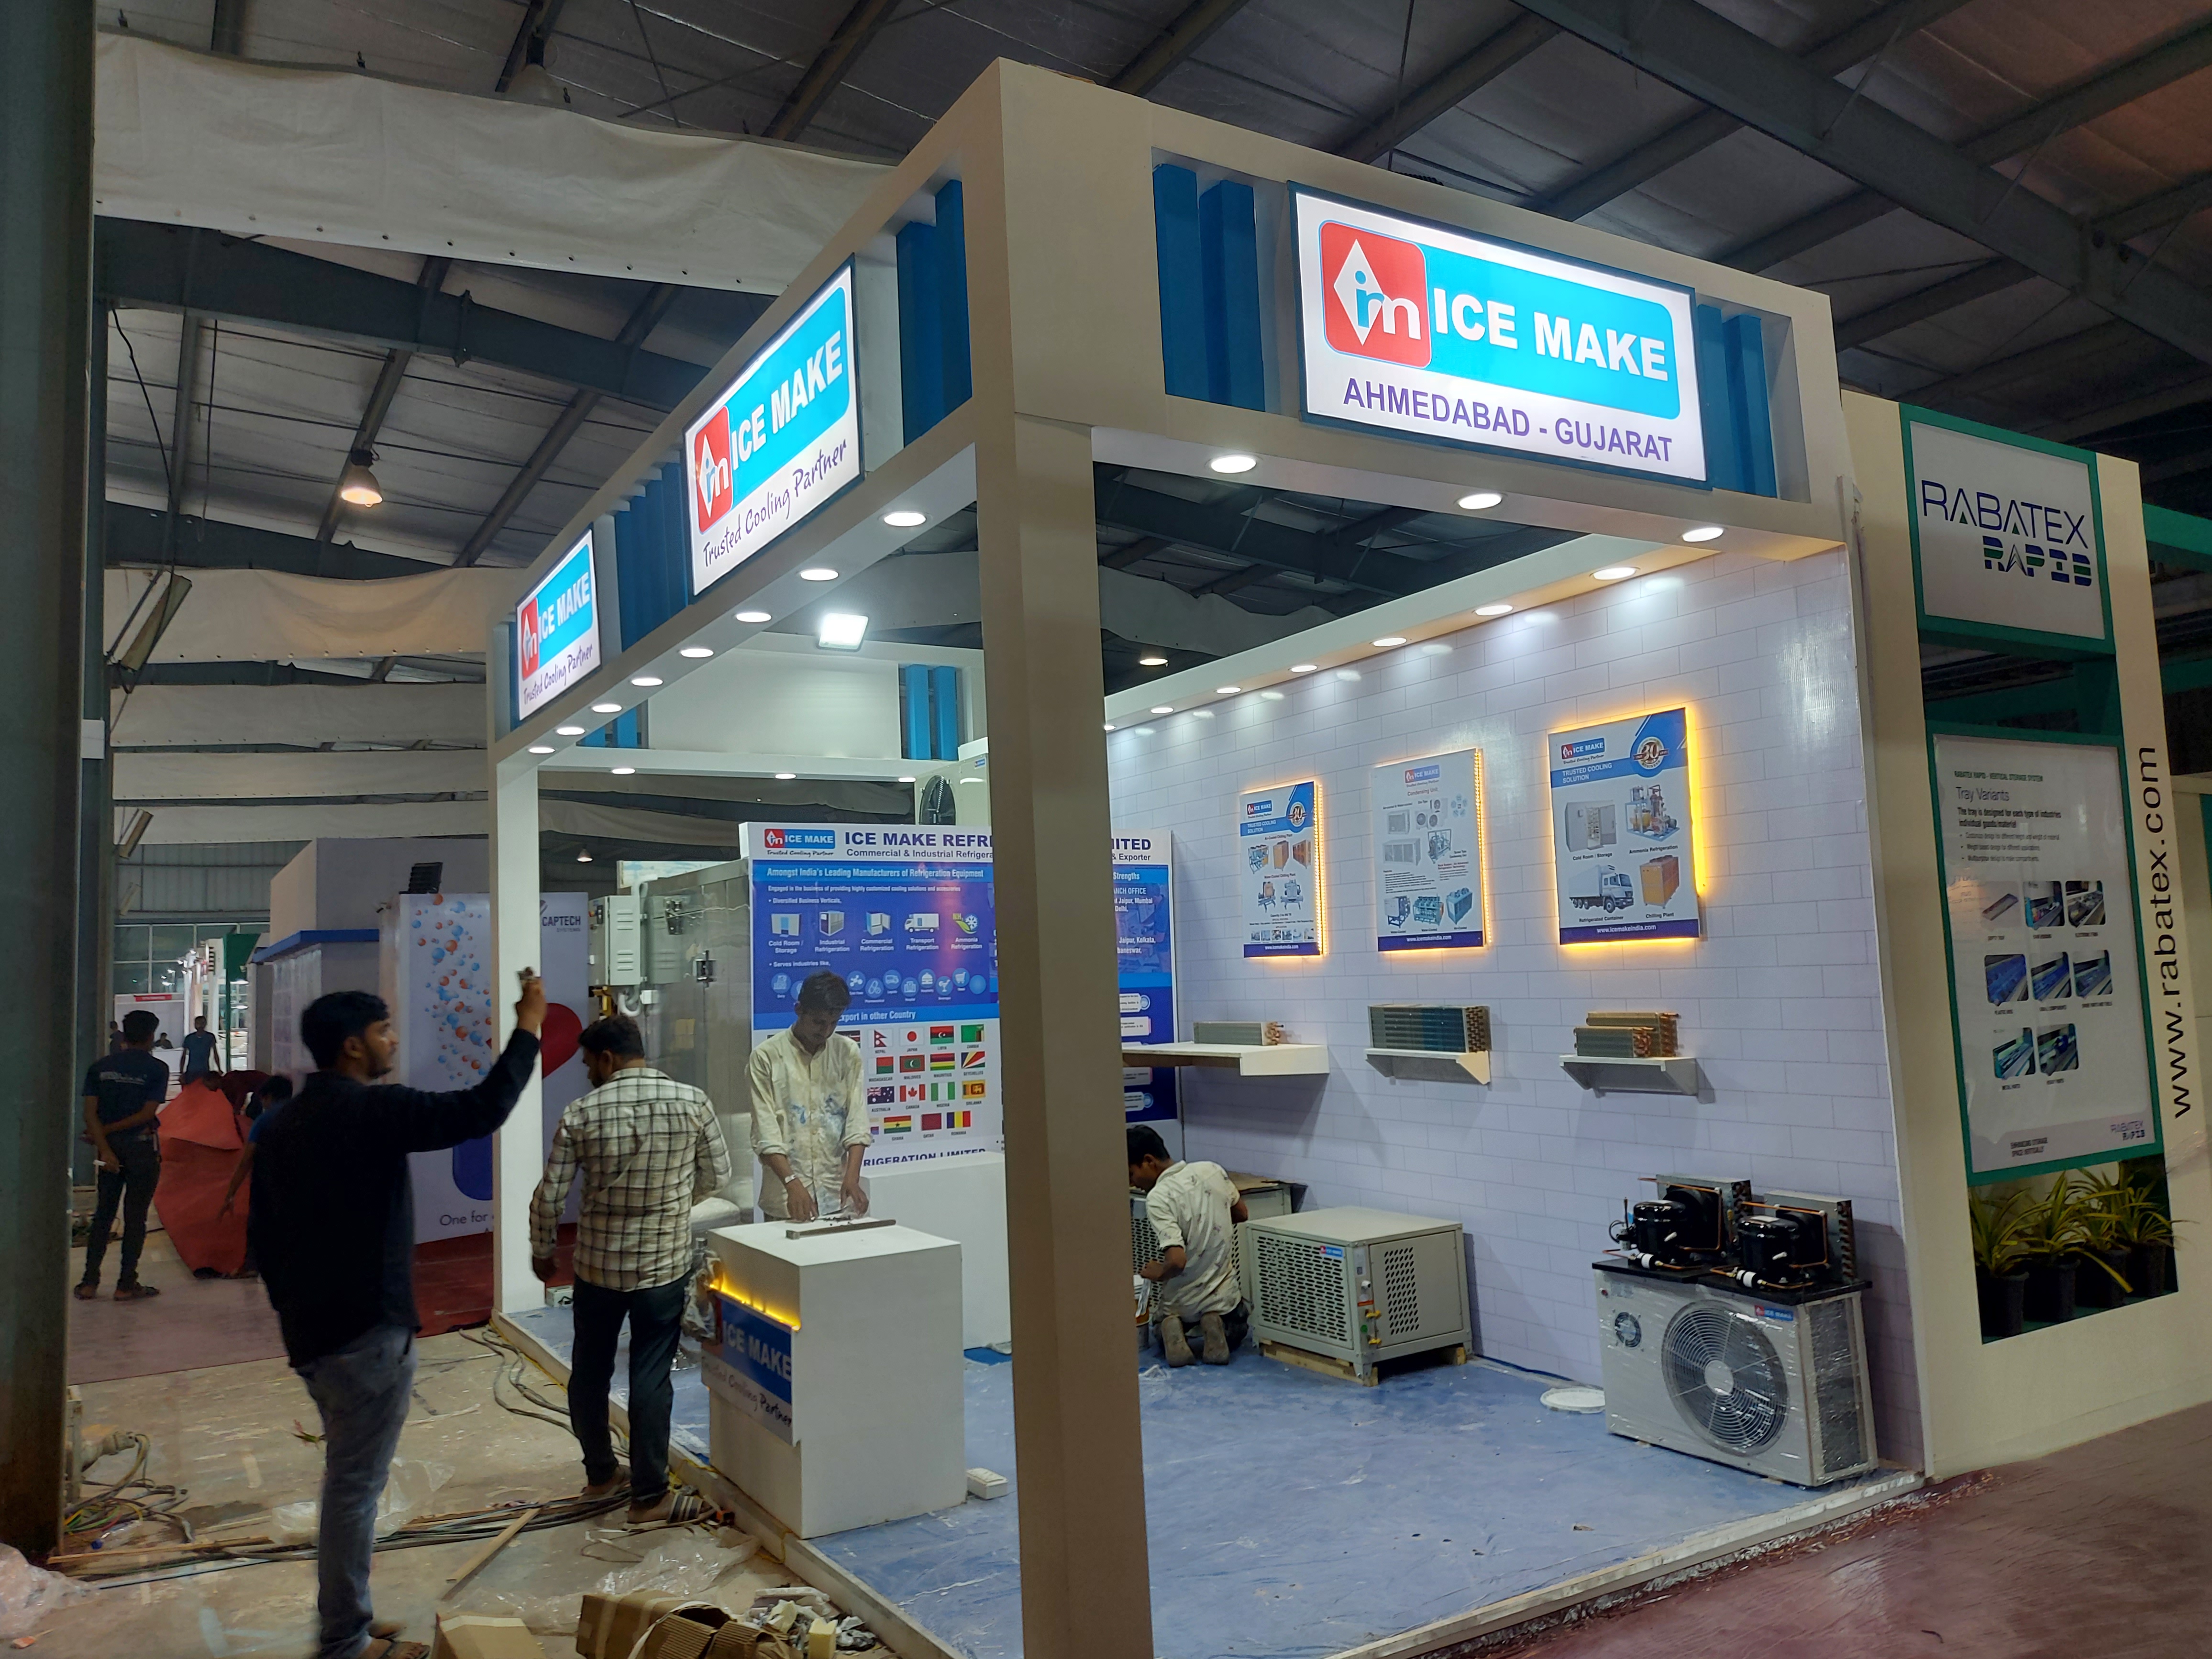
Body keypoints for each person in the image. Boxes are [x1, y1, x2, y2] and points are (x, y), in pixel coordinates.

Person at [250, 974, 545, 1659]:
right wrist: (529, 1026)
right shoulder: (373, 1112)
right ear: (353, 1046)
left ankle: (349, 1617)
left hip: (313, 1336)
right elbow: (481, 1109)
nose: (393, 1042)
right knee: (354, 1490)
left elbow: (261, 1237)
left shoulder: (285, 1123)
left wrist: (293, 1310)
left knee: (349, 1480)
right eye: (384, 1032)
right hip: (367, 1336)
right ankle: (344, 1640)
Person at [530, 1014, 730, 1525]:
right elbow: (718, 1175)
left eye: (588, 1065)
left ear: (607, 1059)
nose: (587, 1074)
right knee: (650, 1374)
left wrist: (542, 1249)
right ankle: (649, 1495)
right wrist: (674, 1204)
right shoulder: (693, 1102)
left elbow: (549, 1196)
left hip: (597, 1269)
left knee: (590, 1372)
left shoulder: (581, 1113)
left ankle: (600, 1475)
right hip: (662, 1268)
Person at [748, 971, 869, 1223]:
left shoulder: (847, 1052)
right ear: (799, 1010)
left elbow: (857, 1121)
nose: (826, 1031)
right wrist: (792, 1182)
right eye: (818, 1022)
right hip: (785, 1199)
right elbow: (766, 1132)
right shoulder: (766, 1057)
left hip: (835, 1194)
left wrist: (853, 1177)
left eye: (834, 1023)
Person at [1128, 1125, 1249, 1367]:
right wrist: (1212, 1224)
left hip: (1181, 1302)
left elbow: (1177, 1261)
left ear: (1149, 1161)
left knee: (1161, 1325)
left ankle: (1171, 1326)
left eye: (1131, 1175)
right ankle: (1215, 1323)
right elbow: (1242, 1214)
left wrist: (1159, 1273)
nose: (1132, 1184)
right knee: (1238, 1324)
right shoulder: (1211, 1170)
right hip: (1221, 1297)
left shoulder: (1158, 1197)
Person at [77, 1008, 171, 1302]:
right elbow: (146, 1114)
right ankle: (126, 1284)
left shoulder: (100, 1067)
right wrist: (108, 1132)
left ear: (123, 1035)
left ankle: (89, 1283)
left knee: (104, 1215)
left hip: (111, 1152)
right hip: (141, 1149)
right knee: (135, 1218)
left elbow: (89, 1114)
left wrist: (104, 1143)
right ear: (151, 1036)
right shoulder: (157, 1069)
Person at [178, 1015, 223, 1084]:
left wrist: (219, 1068)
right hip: (191, 1071)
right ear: (195, 1025)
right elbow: (183, 1056)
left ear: (205, 1024)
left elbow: (216, 1054)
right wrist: (181, 1072)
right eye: (198, 1023)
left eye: (202, 1023)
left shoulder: (210, 1037)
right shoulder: (189, 1038)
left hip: (204, 1071)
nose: (200, 1025)